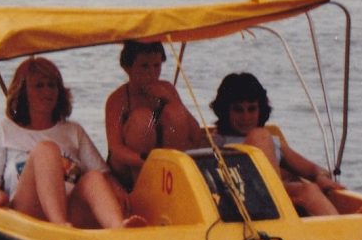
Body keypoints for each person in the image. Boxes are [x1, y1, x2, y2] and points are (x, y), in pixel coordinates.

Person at [0, 57, 145, 228]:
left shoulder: (73, 131)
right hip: (27, 212)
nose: (47, 92)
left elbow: (103, 174)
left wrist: (119, 191)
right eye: (39, 86)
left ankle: (118, 227)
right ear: (23, 92)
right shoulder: (3, 131)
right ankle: (58, 224)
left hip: (70, 211)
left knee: (93, 177)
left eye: (52, 85)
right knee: (47, 149)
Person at [209, 72, 344, 216]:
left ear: (260, 109)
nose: (246, 117)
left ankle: (343, 235)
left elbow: (314, 170)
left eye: (252, 109)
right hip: (242, 204)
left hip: (278, 203)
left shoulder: (272, 141)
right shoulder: (215, 141)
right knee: (260, 136)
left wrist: (321, 177)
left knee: (309, 189)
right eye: (238, 110)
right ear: (225, 111)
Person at [104, 41, 204, 190]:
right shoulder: (118, 99)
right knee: (142, 119)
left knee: (174, 112)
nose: (151, 73)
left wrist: (171, 100)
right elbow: (116, 149)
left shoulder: (166, 89)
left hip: (164, 164)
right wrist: (147, 162)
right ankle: (142, 188)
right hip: (131, 167)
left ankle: (173, 182)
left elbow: (195, 135)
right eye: (144, 66)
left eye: (156, 66)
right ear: (128, 68)